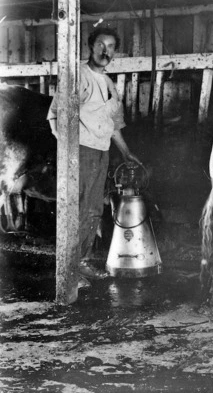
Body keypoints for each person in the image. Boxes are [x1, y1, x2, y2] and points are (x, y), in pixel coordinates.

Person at [47, 27, 141, 286]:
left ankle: (81, 261)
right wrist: (69, 149)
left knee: (93, 209)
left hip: (101, 152)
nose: (105, 51)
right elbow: (56, 115)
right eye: (100, 44)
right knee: (77, 208)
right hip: (81, 150)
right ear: (90, 46)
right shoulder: (79, 76)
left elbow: (114, 125)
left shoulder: (109, 84)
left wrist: (126, 152)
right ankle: (68, 272)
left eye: (111, 46)